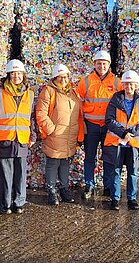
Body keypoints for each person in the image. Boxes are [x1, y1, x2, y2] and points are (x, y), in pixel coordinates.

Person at [0, 59, 36, 215]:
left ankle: (19, 203)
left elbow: (32, 117)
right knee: (5, 174)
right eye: (13, 73)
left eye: (19, 73)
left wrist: (33, 134)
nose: (17, 76)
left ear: (23, 75)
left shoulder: (30, 94)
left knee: (21, 174)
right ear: (8, 75)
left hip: (22, 139)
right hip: (3, 139)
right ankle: (5, 204)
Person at [36, 64, 84, 205]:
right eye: (60, 77)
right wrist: (51, 129)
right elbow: (41, 113)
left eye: (65, 77)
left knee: (65, 162)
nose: (63, 79)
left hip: (70, 134)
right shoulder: (49, 91)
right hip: (56, 134)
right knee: (53, 162)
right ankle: (51, 190)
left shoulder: (73, 92)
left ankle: (64, 189)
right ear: (55, 77)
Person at [103, 70, 139, 211]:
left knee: (133, 172)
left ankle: (131, 199)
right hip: (117, 142)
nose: (129, 86)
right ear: (123, 85)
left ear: (136, 85)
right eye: (126, 84)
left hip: (134, 144)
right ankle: (115, 199)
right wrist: (123, 133)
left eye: (131, 84)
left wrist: (131, 133)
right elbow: (109, 120)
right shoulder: (115, 99)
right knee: (116, 171)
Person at [77, 50, 120, 199]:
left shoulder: (116, 82)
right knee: (90, 157)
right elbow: (78, 103)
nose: (101, 66)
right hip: (91, 126)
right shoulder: (86, 81)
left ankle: (108, 185)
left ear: (109, 65)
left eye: (104, 63)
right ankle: (89, 184)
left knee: (109, 157)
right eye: (99, 63)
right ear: (94, 64)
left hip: (110, 127)